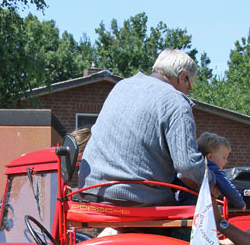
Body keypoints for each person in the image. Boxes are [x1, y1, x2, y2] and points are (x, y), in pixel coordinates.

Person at [77, 49, 207, 205]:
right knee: (194, 214)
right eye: (189, 86)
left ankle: (111, 229)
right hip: (133, 199)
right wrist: (213, 184)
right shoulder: (176, 102)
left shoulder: (121, 86)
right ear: (182, 77)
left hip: (90, 192)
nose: (188, 92)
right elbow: (187, 166)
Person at [175, 132, 245, 210]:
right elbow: (228, 187)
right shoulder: (213, 168)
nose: (226, 161)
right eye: (224, 157)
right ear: (210, 156)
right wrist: (240, 203)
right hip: (200, 209)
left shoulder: (187, 169)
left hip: (181, 205)